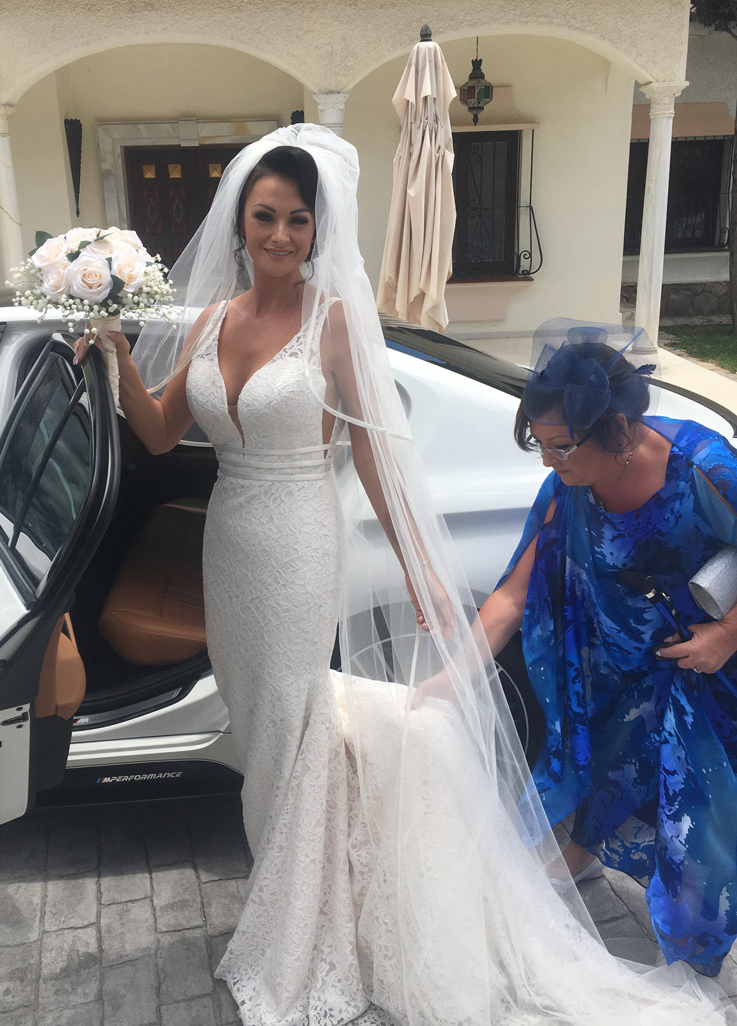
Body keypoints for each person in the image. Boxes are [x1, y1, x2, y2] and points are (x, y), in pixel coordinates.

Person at [76, 129, 735, 1025]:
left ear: (316, 231)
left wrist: (428, 579)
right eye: (264, 216)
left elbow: (379, 461)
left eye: (297, 220)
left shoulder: (334, 323)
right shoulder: (208, 321)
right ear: (241, 222)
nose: (279, 234)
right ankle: (299, 907)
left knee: (296, 727)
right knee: (260, 736)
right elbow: (157, 434)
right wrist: (116, 352)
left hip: (298, 546)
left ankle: (306, 932)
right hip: (228, 547)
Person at [447, 321, 737, 979]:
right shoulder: (569, 489)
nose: (549, 464)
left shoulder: (703, 468)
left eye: (559, 446)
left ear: (613, 428)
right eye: (540, 447)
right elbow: (511, 598)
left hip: (706, 671)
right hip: (620, 669)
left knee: (696, 830)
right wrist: (447, 682)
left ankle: (694, 967)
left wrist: (724, 635)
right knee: (603, 766)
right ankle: (582, 854)